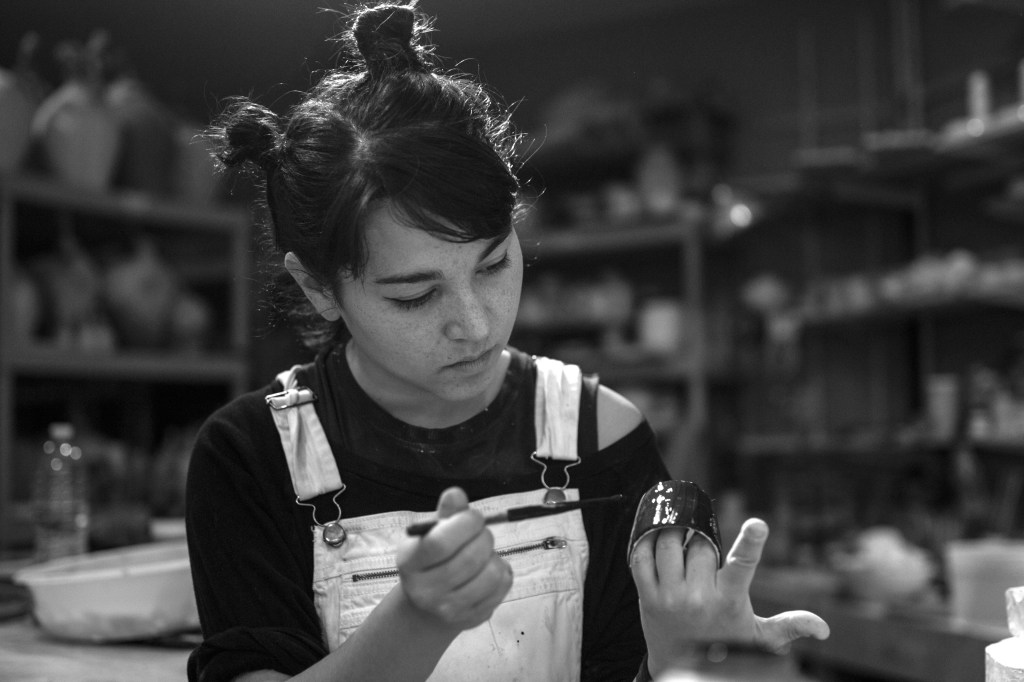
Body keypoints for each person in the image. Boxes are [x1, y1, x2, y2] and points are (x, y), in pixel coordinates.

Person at [184, 4, 830, 681]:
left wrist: (689, 658)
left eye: (493, 264)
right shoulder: (253, 456)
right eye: (415, 295)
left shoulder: (600, 439)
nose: (476, 323)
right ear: (318, 287)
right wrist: (417, 622)